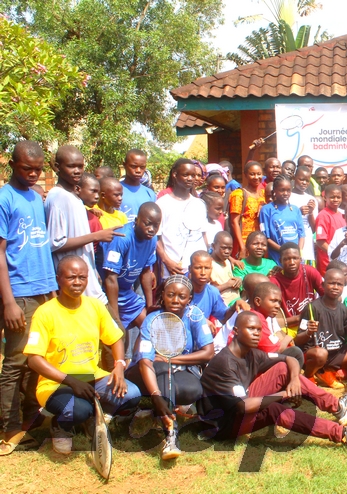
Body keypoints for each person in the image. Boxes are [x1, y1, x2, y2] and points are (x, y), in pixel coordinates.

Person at [24, 256, 141, 455]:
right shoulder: (44, 313)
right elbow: (33, 359)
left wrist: (119, 366)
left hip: (92, 377)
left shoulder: (95, 306)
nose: (78, 282)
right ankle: (60, 426)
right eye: (71, 277)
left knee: (132, 394)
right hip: (56, 384)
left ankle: (97, 416)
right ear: (58, 278)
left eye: (82, 277)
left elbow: (115, 339)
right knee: (78, 410)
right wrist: (71, 381)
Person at [199, 311, 347, 446]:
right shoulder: (225, 363)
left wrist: (294, 380)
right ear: (235, 331)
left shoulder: (252, 353)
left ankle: (338, 407)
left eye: (259, 329)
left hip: (241, 403)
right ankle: (344, 434)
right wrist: (284, 394)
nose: (256, 333)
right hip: (221, 424)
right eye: (251, 329)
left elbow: (290, 359)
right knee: (274, 410)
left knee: (283, 369)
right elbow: (242, 407)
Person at [0, 141, 59, 456]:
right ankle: (8, 427)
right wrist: (8, 301)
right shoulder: (4, 199)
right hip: (19, 294)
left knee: (37, 357)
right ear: (12, 164)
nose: (34, 174)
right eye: (27, 169)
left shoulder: (37, 198)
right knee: (16, 360)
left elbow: (41, 248)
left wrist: (51, 290)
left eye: (38, 169)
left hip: (42, 290)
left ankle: (28, 418)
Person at [126, 275, 215, 460]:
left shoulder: (195, 316)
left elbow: (208, 353)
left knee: (191, 389)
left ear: (189, 299)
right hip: (145, 373)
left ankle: (158, 410)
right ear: (163, 296)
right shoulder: (151, 319)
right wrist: (157, 396)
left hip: (177, 369)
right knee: (162, 372)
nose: (176, 300)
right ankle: (171, 436)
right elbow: (145, 361)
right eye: (171, 295)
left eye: (182, 296)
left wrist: (172, 359)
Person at [46, 146, 122, 304]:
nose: (77, 171)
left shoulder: (73, 198)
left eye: (80, 166)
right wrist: (96, 236)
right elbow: (55, 243)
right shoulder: (58, 198)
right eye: (71, 166)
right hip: (76, 287)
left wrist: (93, 271)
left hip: (89, 285)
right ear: (57, 167)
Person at [102, 202, 160, 360]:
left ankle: (136, 364)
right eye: (147, 224)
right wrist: (115, 316)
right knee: (114, 337)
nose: (151, 229)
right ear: (137, 220)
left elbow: (146, 272)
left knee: (150, 328)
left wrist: (149, 305)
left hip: (127, 293)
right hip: (108, 293)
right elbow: (110, 278)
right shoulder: (123, 239)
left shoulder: (152, 240)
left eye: (156, 225)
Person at [295, 269, 347, 383]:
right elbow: (297, 340)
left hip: (336, 353)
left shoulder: (343, 309)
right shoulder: (312, 307)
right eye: (331, 283)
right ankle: (309, 376)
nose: (335, 287)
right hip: (315, 354)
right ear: (323, 285)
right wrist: (308, 333)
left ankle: (329, 370)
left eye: (339, 284)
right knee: (320, 354)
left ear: (343, 286)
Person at [156, 159, 208, 276]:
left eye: (193, 175)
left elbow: (203, 235)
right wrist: (166, 261)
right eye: (186, 175)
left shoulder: (199, 204)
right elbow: (157, 239)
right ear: (175, 175)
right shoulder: (162, 204)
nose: (190, 178)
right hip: (174, 269)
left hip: (198, 270)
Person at [270, 243, 324, 337]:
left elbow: (328, 296)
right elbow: (273, 321)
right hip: (288, 329)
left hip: (313, 324)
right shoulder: (274, 282)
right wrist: (301, 318)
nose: (291, 262)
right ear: (280, 261)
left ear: (300, 259)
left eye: (295, 258)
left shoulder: (310, 272)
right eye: (286, 259)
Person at [260, 175, 305, 265]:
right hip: (277, 257)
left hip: (295, 258)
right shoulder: (266, 210)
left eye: (288, 190)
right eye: (282, 190)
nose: (285, 193)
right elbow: (265, 237)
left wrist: (298, 252)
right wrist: (284, 251)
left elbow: (302, 235)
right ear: (275, 191)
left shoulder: (295, 209)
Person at [229, 161, 265, 259]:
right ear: (245, 175)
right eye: (252, 174)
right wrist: (242, 247)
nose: (256, 177)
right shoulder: (238, 194)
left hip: (261, 243)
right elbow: (234, 222)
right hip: (244, 241)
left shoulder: (264, 193)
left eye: (259, 174)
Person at [289, 165, 318, 265]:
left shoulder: (312, 199)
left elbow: (314, 229)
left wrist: (310, 213)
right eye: (301, 179)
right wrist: (298, 212)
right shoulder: (288, 196)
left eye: (307, 180)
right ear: (294, 178)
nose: (304, 183)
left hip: (307, 244)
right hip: (292, 238)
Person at [315, 184, 346, 275]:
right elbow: (320, 241)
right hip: (328, 262)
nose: (336, 200)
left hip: (341, 261)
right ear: (325, 198)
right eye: (332, 197)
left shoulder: (342, 214)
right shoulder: (323, 215)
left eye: (338, 197)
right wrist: (333, 254)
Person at [120, 149, 157, 223]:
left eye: (142, 167)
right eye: (133, 166)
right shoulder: (115, 190)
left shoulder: (150, 194)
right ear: (124, 165)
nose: (138, 170)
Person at [210, 231, 241, 306]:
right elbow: (209, 292)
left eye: (230, 248)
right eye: (223, 248)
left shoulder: (227, 261)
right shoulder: (209, 265)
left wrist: (237, 281)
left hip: (236, 301)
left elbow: (230, 279)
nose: (227, 251)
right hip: (223, 306)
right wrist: (227, 285)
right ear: (213, 246)